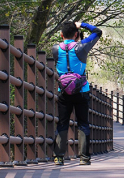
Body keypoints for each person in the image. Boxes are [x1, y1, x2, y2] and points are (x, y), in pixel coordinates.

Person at [52, 21, 102, 166]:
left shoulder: (55, 49)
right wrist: (82, 24)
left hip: (63, 91)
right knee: (83, 123)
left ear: (61, 35)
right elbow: (98, 32)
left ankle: (59, 157)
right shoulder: (81, 47)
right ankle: (84, 158)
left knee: (62, 122)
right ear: (76, 34)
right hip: (82, 90)